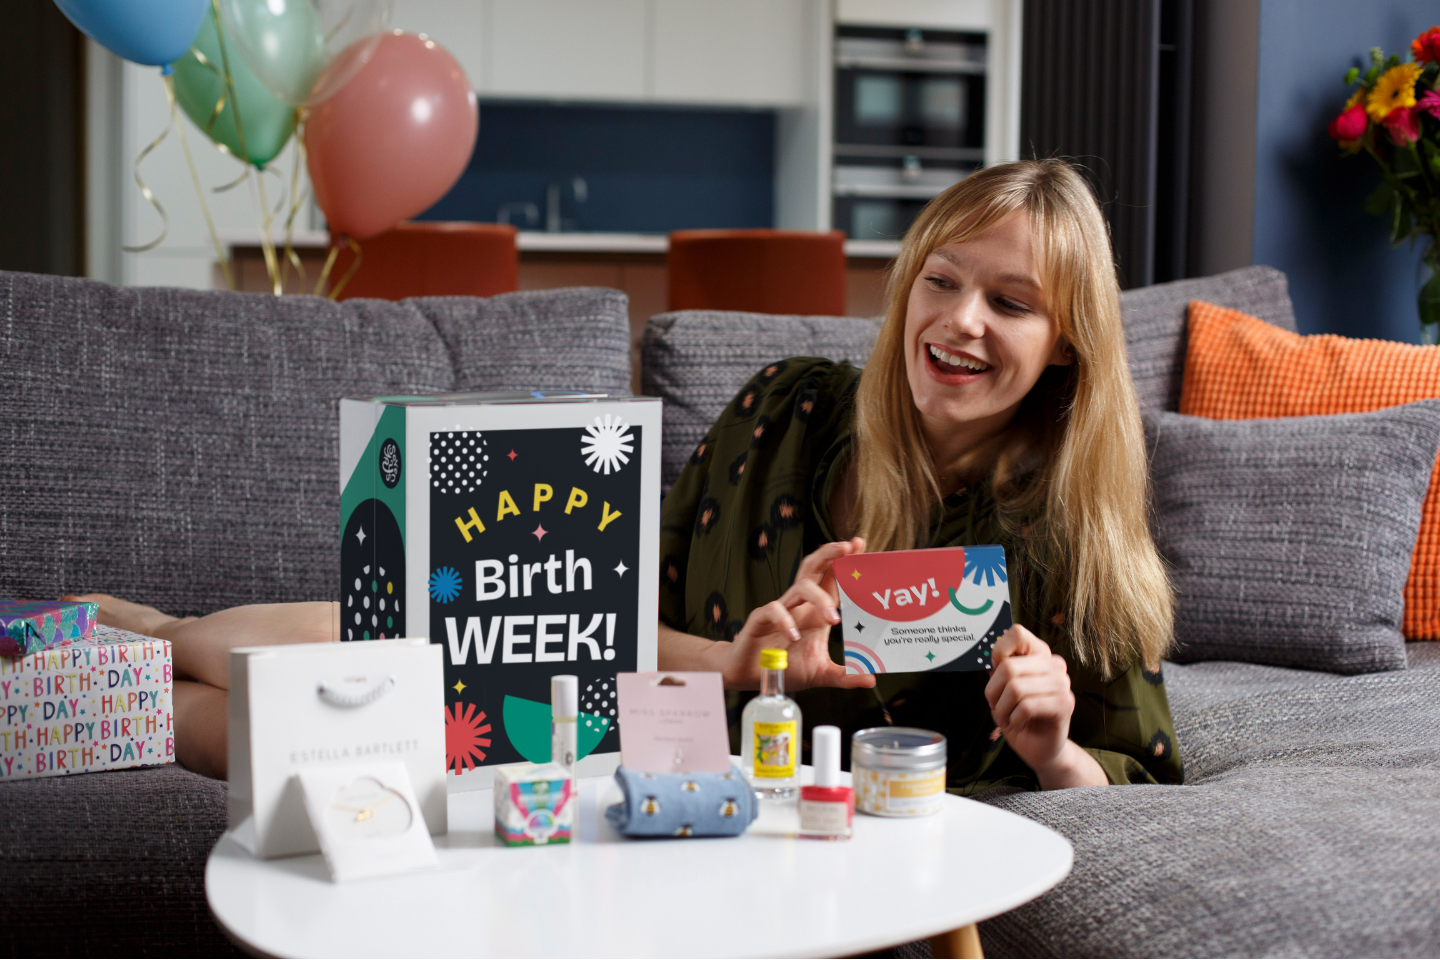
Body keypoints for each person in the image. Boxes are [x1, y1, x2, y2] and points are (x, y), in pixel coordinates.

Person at [656, 159, 1181, 790]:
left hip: (927, 863)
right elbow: (599, 633)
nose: (961, 319)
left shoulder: (1070, 531)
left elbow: (1143, 783)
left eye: (1010, 303)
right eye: (941, 280)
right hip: (708, 823)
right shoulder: (782, 409)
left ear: (1066, 343)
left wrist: (1054, 754)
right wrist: (735, 663)